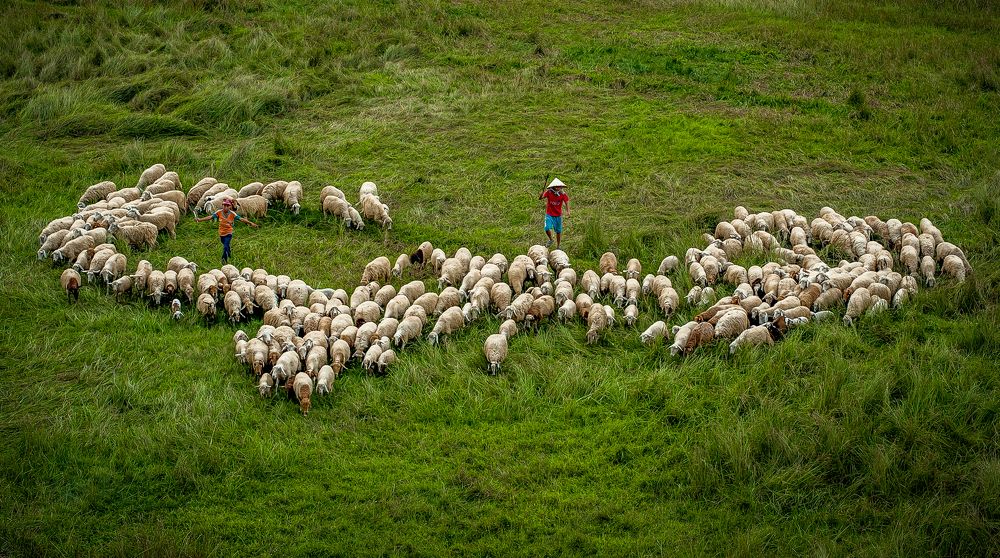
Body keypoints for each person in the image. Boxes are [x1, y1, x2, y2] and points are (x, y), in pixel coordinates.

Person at [194, 198, 258, 265]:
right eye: (224, 205)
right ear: (222, 205)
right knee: (226, 245)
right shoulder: (219, 212)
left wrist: (250, 223)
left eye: (227, 206)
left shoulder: (233, 214)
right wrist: (200, 219)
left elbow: (241, 219)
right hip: (221, 233)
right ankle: (229, 253)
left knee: (225, 246)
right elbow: (210, 217)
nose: (226, 207)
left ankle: (224, 261)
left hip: (229, 233)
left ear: (230, 206)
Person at [539, 177, 569, 248]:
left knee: (558, 231)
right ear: (554, 187)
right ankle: (551, 239)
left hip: (558, 215)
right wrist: (541, 194)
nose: (558, 188)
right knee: (546, 228)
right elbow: (541, 198)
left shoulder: (562, 194)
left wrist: (568, 211)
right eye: (557, 186)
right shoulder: (549, 192)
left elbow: (566, 202)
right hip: (549, 214)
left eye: (559, 186)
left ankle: (558, 246)